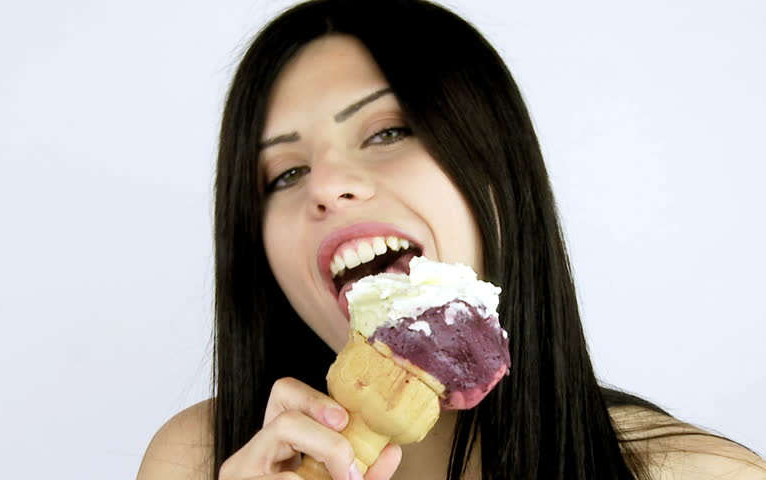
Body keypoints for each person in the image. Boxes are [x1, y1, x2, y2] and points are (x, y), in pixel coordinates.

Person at [137, 1, 765, 478]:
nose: (324, 186)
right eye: (285, 174)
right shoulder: (196, 460)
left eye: (387, 132)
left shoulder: (705, 473)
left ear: (500, 173)